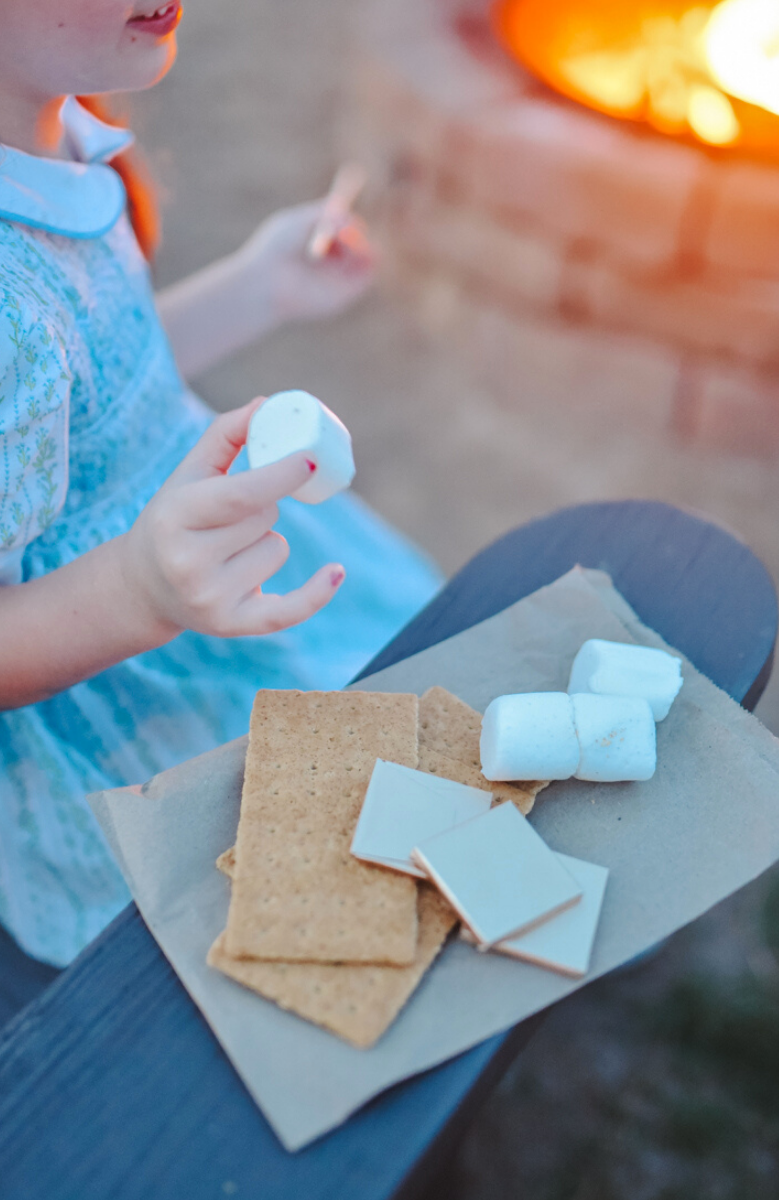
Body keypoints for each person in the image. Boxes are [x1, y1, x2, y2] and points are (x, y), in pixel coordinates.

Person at [0, 1, 439, 968]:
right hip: (121, 686)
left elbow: (95, 405)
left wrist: (257, 287)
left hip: (192, 571)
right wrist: (136, 591)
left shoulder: (60, 128)